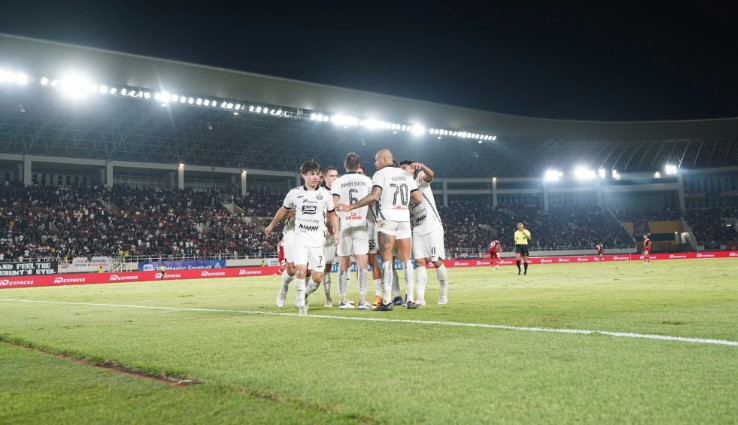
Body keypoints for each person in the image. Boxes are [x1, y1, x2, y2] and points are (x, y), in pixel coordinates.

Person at [337, 149, 422, 311]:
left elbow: (374, 196)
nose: (375, 163)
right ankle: (411, 299)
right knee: (406, 260)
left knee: (387, 260)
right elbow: (418, 198)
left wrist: (351, 206)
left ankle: (387, 301)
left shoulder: (380, 174)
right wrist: (401, 206)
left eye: (377, 160)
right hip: (404, 219)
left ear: (384, 159)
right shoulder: (406, 175)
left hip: (387, 220)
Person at [265, 160, 339, 315]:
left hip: (316, 239)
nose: (315, 177)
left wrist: (336, 231)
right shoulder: (295, 193)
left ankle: (303, 294)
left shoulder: (325, 194)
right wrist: (271, 225)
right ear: (303, 175)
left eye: (317, 175)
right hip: (296, 234)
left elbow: (332, 214)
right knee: (296, 270)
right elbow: (283, 211)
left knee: (317, 276)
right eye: (311, 174)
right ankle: (294, 298)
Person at [400, 160, 449, 305]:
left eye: (404, 168)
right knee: (419, 262)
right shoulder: (403, 190)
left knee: (436, 261)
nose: (401, 171)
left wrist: (422, 166)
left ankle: (443, 294)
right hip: (418, 229)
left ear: (412, 169)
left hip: (432, 226)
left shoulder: (420, 181)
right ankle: (420, 298)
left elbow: (431, 175)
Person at [332, 153, 373, 309]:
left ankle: (343, 300)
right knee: (362, 262)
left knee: (344, 261)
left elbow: (335, 204)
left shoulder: (337, 182)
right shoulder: (367, 180)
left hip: (345, 225)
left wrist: (343, 213)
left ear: (345, 165)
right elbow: (372, 200)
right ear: (358, 165)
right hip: (360, 225)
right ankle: (362, 301)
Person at [357, 164, 384, 307]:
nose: (358, 175)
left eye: (360, 172)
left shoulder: (370, 185)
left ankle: (379, 294)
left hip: (370, 225)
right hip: (355, 227)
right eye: (356, 172)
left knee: (373, 260)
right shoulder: (349, 187)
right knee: (359, 262)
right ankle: (362, 296)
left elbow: (373, 199)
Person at [321, 166, 339, 307]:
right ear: (324, 178)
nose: (334, 178)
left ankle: (342, 298)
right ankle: (327, 298)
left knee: (343, 263)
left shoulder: (341, 192)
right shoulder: (320, 193)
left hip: (341, 233)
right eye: (331, 176)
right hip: (325, 235)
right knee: (324, 266)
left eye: (336, 176)